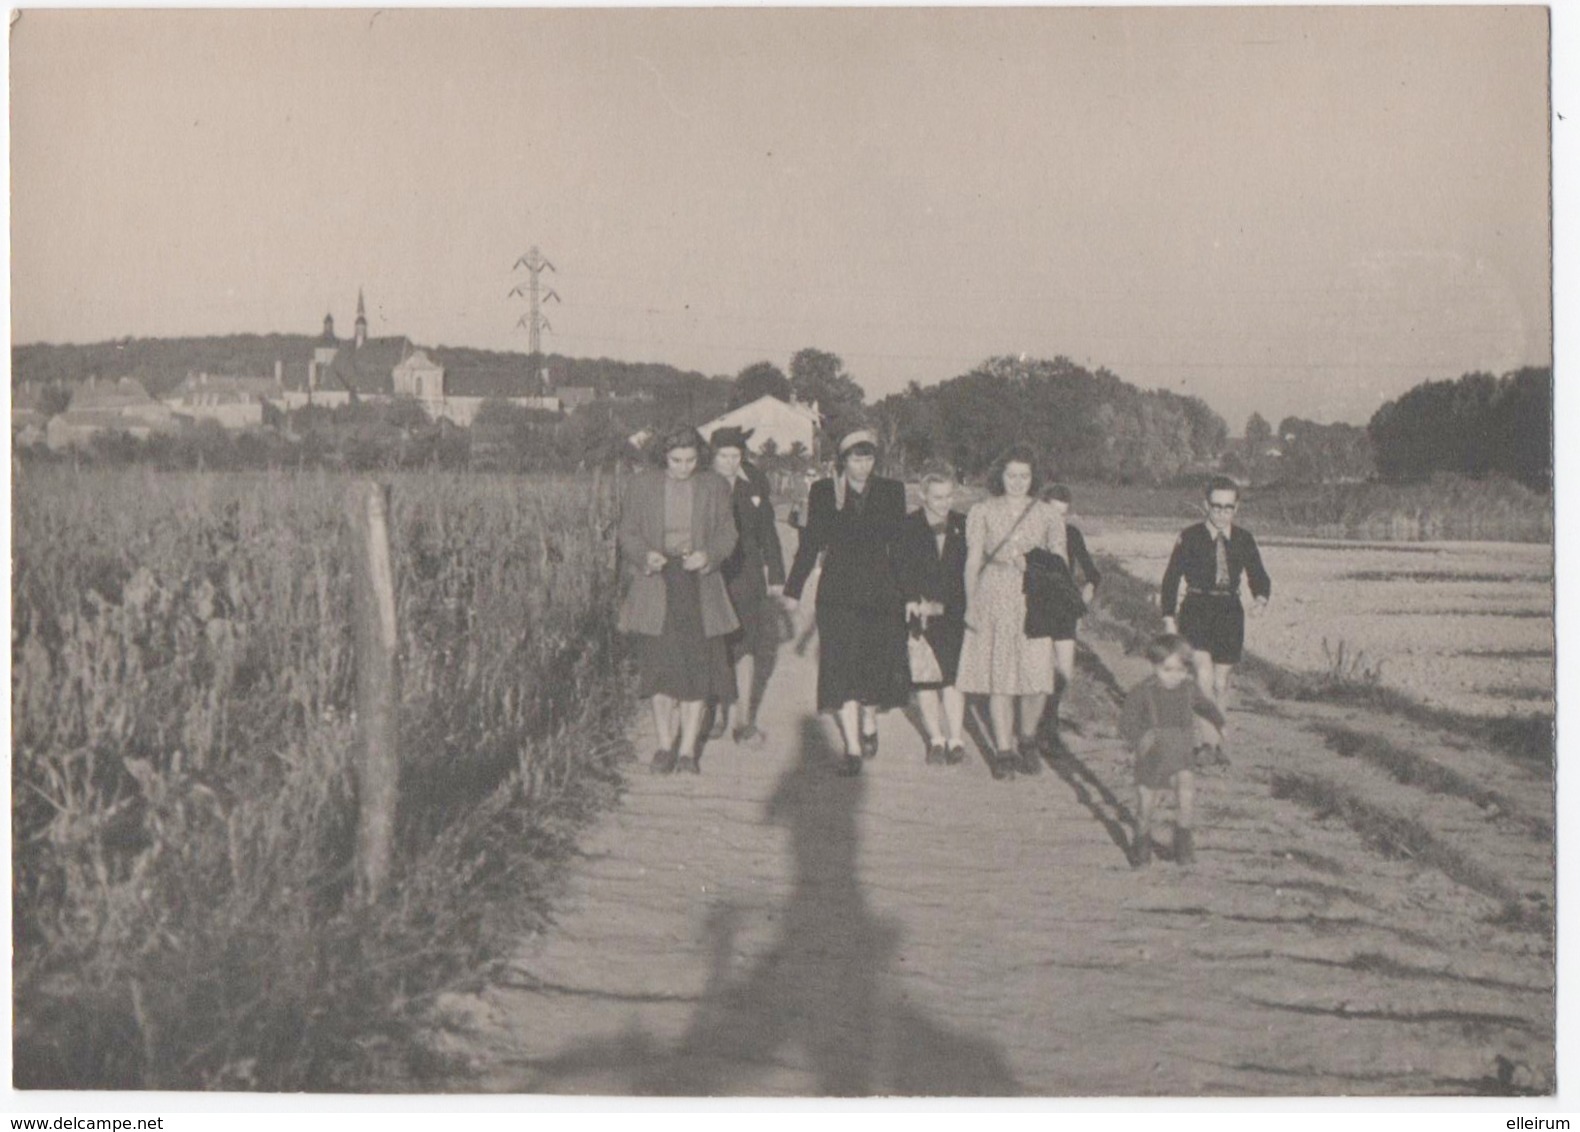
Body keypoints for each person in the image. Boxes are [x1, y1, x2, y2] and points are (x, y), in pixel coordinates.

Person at [782, 428, 910, 777]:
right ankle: (852, 748)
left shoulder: (891, 491)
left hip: (880, 591)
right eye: (856, 458)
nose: (863, 465)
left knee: (873, 662)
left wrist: (910, 594)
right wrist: (793, 590)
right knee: (841, 664)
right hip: (837, 592)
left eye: (868, 458)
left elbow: (900, 546)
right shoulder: (824, 492)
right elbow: (810, 544)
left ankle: (869, 719)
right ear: (843, 460)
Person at [617, 426, 739, 775]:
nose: (684, 468)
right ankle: (664, 745)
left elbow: (727, 533)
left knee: (696, 670)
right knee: (660, 669)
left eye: (690, 460)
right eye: (675, 461)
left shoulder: (714, 486)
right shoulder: (642, 486)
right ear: (662, 458)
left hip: (698, 583)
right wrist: (645, 556)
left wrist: (708, 555)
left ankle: (688, 751)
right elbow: (628, 532)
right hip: (657, 582)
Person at [955, 445, 1067, 781]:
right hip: (995, 596)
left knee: (1037, 681)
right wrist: (970, 603)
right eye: (1011, 475)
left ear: (1034, 479)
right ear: (999, 476)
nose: (1017, 482)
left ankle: (1027, 737)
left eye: (1024, 476)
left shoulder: (1048, 515)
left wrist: (1033, 565)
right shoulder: (983, 512)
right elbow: (973, 561)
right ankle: (1003, 750)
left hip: (1034, 599)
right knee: (999, 678)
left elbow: (1060, 563)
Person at [1160, 476, 1272, 709]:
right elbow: (1171, 578)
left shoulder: (1244, 539)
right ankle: (1206, 735)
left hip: (1229, 612)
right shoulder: (1189, 537)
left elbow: (1258, 574)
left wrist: (1260, 599)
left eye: (1228, 508)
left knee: (1221, 682)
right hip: (1196, 608)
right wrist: (1168, 617)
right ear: (1206, 505)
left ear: (1236, 507)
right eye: (1216, 507)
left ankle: (1216, 732)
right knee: (1203, 672)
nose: (1222, 513)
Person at [1118, 634, 1227, 866]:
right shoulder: (1142, 691)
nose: (1174, 676)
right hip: (1152, 755)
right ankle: (1142, 840)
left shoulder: (1188, 688)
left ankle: (1183, 841)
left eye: (1181, 670)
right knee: (1146, 804)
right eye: (1168, 670)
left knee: (1186, 795)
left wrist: (1219, 722)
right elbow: (1126, 722)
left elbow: (1205, 706)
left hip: (1181, 752)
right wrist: (1139, 737)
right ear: (1154, 665)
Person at [708, 427, 787, 746]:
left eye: (735, 456)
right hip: (712, 572)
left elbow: (768, 529)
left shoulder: (754, 481)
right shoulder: (702, 483)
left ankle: (743, 720)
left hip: (748, 573)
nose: (730, 462)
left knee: (746, 644)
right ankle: (714, 715)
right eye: (723, 456)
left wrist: (777, 574)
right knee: (715, 644)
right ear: (713, 456)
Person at [895, 466, 969, 766]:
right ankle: (936, 739)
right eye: (937, 497)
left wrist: (953, 606)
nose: (944, 502)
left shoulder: (965, 525)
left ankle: (955, 739)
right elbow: (901, 568)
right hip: (921, 611)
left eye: (949, 496)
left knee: (952, 678)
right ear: (923, 495)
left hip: (954, 611)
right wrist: (913, 599)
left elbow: (971, 572)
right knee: (926, 678)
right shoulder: (907, 526)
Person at [1036, 483, 1101, 751]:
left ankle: (1047, 723)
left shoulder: (1072, 535)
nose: (1056, 520)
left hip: (1064, 608)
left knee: (1063, 672)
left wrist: (1086, 593)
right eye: (1052, 513)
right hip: (1035, 608)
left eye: (1062, 514)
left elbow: (1093, 573)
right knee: (1037, 671)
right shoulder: (1029, 533)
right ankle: (1038, 729)